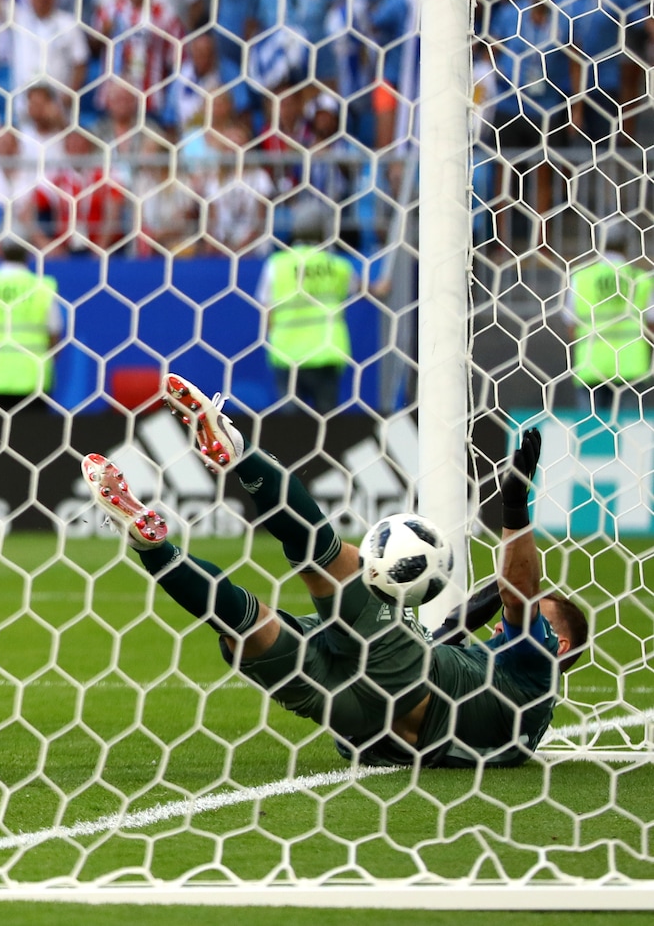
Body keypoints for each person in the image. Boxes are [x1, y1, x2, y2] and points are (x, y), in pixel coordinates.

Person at [86, 375, 588, 767]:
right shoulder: (521, 720)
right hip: (361, 721)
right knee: (249, 628)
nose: (508, 623)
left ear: (558, 645)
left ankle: (238, 451)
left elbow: (519, 593)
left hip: (408, 677)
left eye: (537, 622)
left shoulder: (534, 670)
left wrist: (516, 505)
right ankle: (151, 546)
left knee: (324, 559)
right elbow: (474, 623)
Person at [256, 216, 357, 415]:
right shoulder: (338, 265)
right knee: (327, 424)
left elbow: (267, 309)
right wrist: (380, 288)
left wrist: (272, 338)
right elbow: (361, 288)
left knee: (292, 429)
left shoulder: (277, 265)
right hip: (326, 351)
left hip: (287, 354)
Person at [561, 222, 652, 421]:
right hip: (630, 366)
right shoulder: (641, 279)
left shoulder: (581, 277)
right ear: (627, 245)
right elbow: (651, 324)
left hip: (591, 364)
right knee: (629, 436)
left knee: (591, 438)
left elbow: (570, 324)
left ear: (599, 244)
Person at [0, 239, 65, 412]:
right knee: (33, 437)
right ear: (28, 253)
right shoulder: (41, 286)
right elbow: (55, 333)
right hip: (35, 377)